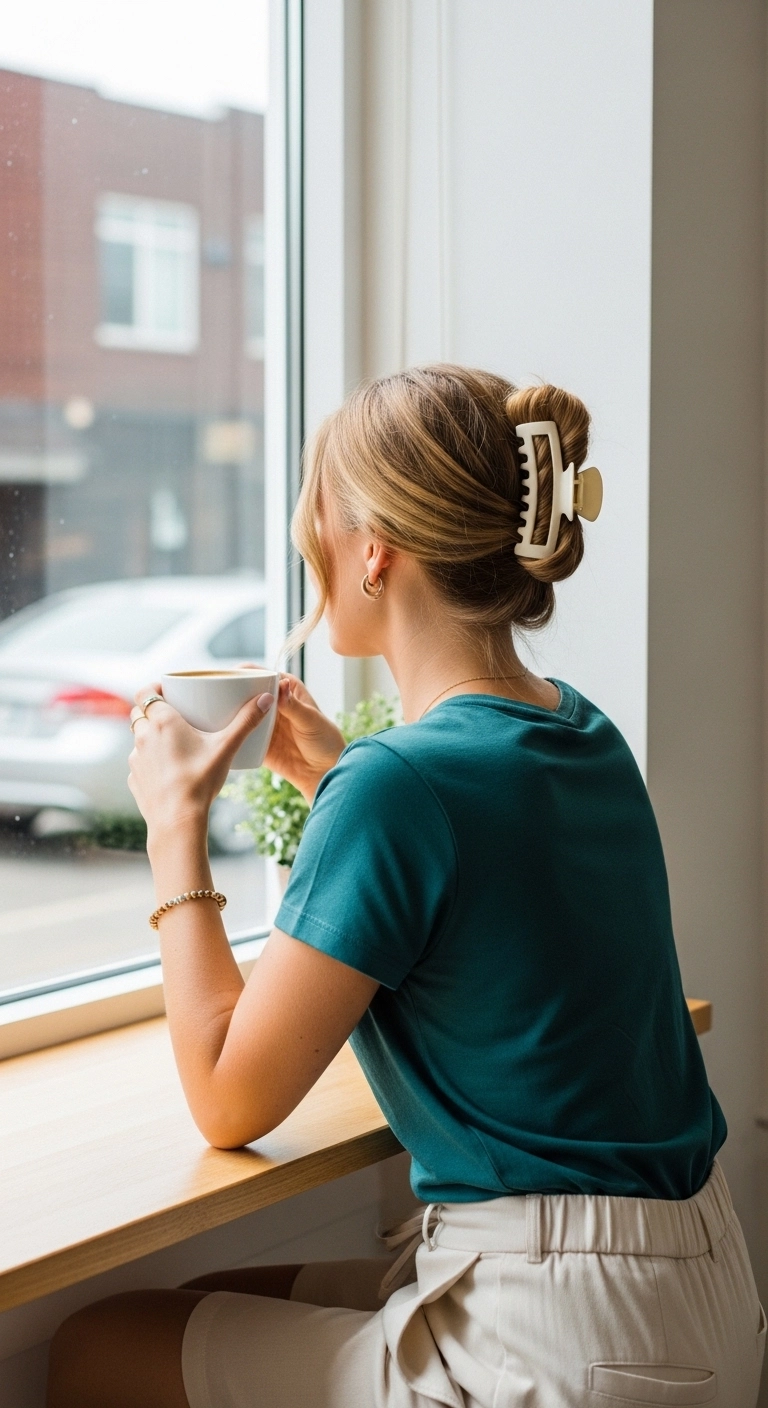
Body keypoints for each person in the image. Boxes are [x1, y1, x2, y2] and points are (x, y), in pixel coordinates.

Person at [47, 368, 764, 1408]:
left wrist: (173, 827)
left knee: (99, 1347)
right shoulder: (579, 728)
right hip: (696, 1291)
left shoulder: (400, 787)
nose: (311, 551)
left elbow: (224, 1098)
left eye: (318, 525)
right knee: (208, 1297)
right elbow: (485, 893)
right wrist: (340, 773)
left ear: (374, 548)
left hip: (566, 1338)